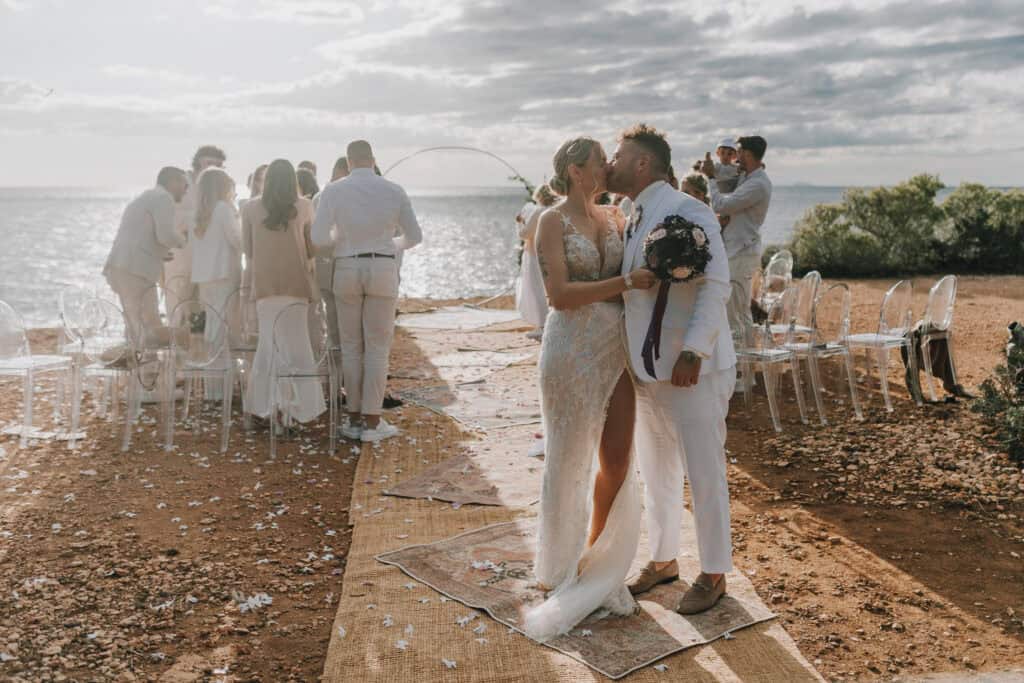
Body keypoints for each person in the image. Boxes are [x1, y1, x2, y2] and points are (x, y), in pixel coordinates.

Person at [523, 137, 657, 642]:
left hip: (614, 348)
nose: (608, 166)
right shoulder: (550, 221)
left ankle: (599, 566)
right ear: (577, 171)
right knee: (567, 460)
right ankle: (560, 570)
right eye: (600, 160)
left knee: (618, 460)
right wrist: (625, 285)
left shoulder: (618, 216)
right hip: (569, 350)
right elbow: (558, 294)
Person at [607, 123, 736, 616]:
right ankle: (663, 559)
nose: (611, 163)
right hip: (645, 366)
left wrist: (694, 351)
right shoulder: (631, 212)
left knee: (704, 472)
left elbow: (715, 283)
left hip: (690, 369)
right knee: (656, 469)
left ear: (643, 163)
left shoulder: (689, 209)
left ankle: (715, 572)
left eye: (618, 156)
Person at [311, 140, 422, 443]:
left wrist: (343, 240)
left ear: (348, 163)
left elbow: (319, 238)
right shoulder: (394, 189)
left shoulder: (333, 191)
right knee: (377, 348)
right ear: (373, 160)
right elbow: (414, 236)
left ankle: (354, 419)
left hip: (346, 268)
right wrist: (388, 245)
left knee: (350, 346)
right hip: (382, 269)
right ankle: (373, 423)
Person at [241, 159, 326, 425]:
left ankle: (266, 407)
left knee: (269, 346)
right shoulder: (304, 206)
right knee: (298, 348)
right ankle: (298, 410)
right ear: (293, 180)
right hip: (296, 284)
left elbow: (248, 250)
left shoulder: (249, 208)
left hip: (265, 286)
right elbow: (313, 248)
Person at [103, 167, 188, 350]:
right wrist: (184, 240)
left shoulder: (144, 198)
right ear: (172, 182)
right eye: (183, 183)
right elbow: (165, 235)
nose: (186, 187)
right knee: (148, 323)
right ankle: (147, 371)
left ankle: (139, 369)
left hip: (121, 265)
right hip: (134, 269)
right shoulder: (164, 198)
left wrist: (159, 253)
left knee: (135, 322)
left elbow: (139, 234)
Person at [701, 135, 771, 345]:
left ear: (747, 154)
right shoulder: (746, 175)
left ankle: (745, 373)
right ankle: (743, 370)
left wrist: (711, 180)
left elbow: (721, 205)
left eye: (738, 152)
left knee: (738, 313)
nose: (735, 157)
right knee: (736, 311)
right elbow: (725, 170)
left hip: (742, 252)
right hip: (735, 250)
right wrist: (711, 169)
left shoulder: (758, 184)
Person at [190, 166, 242, 399]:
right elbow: (237, 240)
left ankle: (214, 388)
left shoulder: (199, 211)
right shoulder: (223, 208)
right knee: (220, 329)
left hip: (205, 276)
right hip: (223, 273)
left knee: (212, 328)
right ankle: (220, 389)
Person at [166, 145, 227, 322]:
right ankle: (175, 343)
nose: (211, 168)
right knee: (176, 301)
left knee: (199, 307)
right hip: (180, 255)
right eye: (208, 163)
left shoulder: (214, 188)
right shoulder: (180, 181)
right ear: (199, 162)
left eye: (217, 165)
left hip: (203, 258)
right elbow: (169, 216)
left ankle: (196, 346)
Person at [515, 183, 557, 340]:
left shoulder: (539, 211)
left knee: (536, 288)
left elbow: (525, 234)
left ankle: (543, 325)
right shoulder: (554, 210)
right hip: (550, 254)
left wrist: (520, 221)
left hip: (535, 255)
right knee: (548, 290)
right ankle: (548, 322)